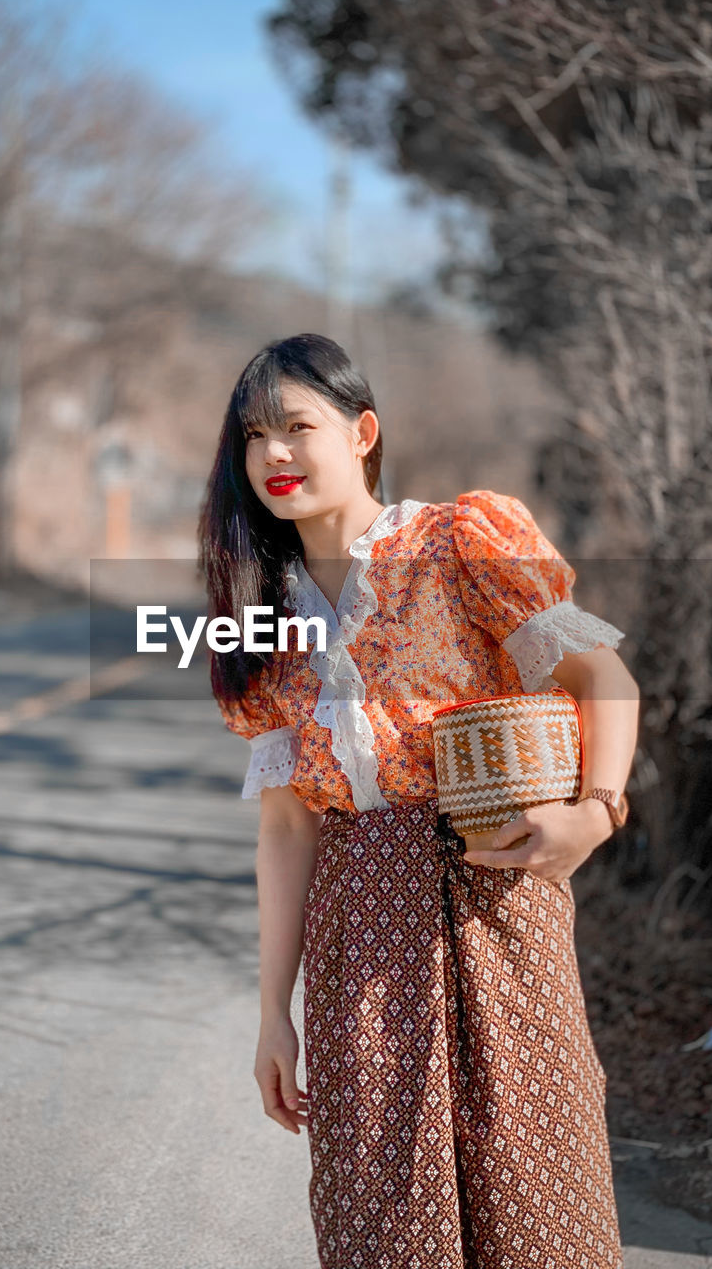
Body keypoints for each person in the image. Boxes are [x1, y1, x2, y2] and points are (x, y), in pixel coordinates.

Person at [197, 332, 640, 1269]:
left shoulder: (460, 542)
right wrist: (273, 1012)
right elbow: (286, 828)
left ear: (362, 433)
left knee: (535, 1204)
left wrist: (596, 813)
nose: (273, 453)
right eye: (253, 434)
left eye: (295, 426)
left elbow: (604, 678)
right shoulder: (261, 621)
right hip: (356, 940)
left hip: (497, 907)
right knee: (385, 1223)